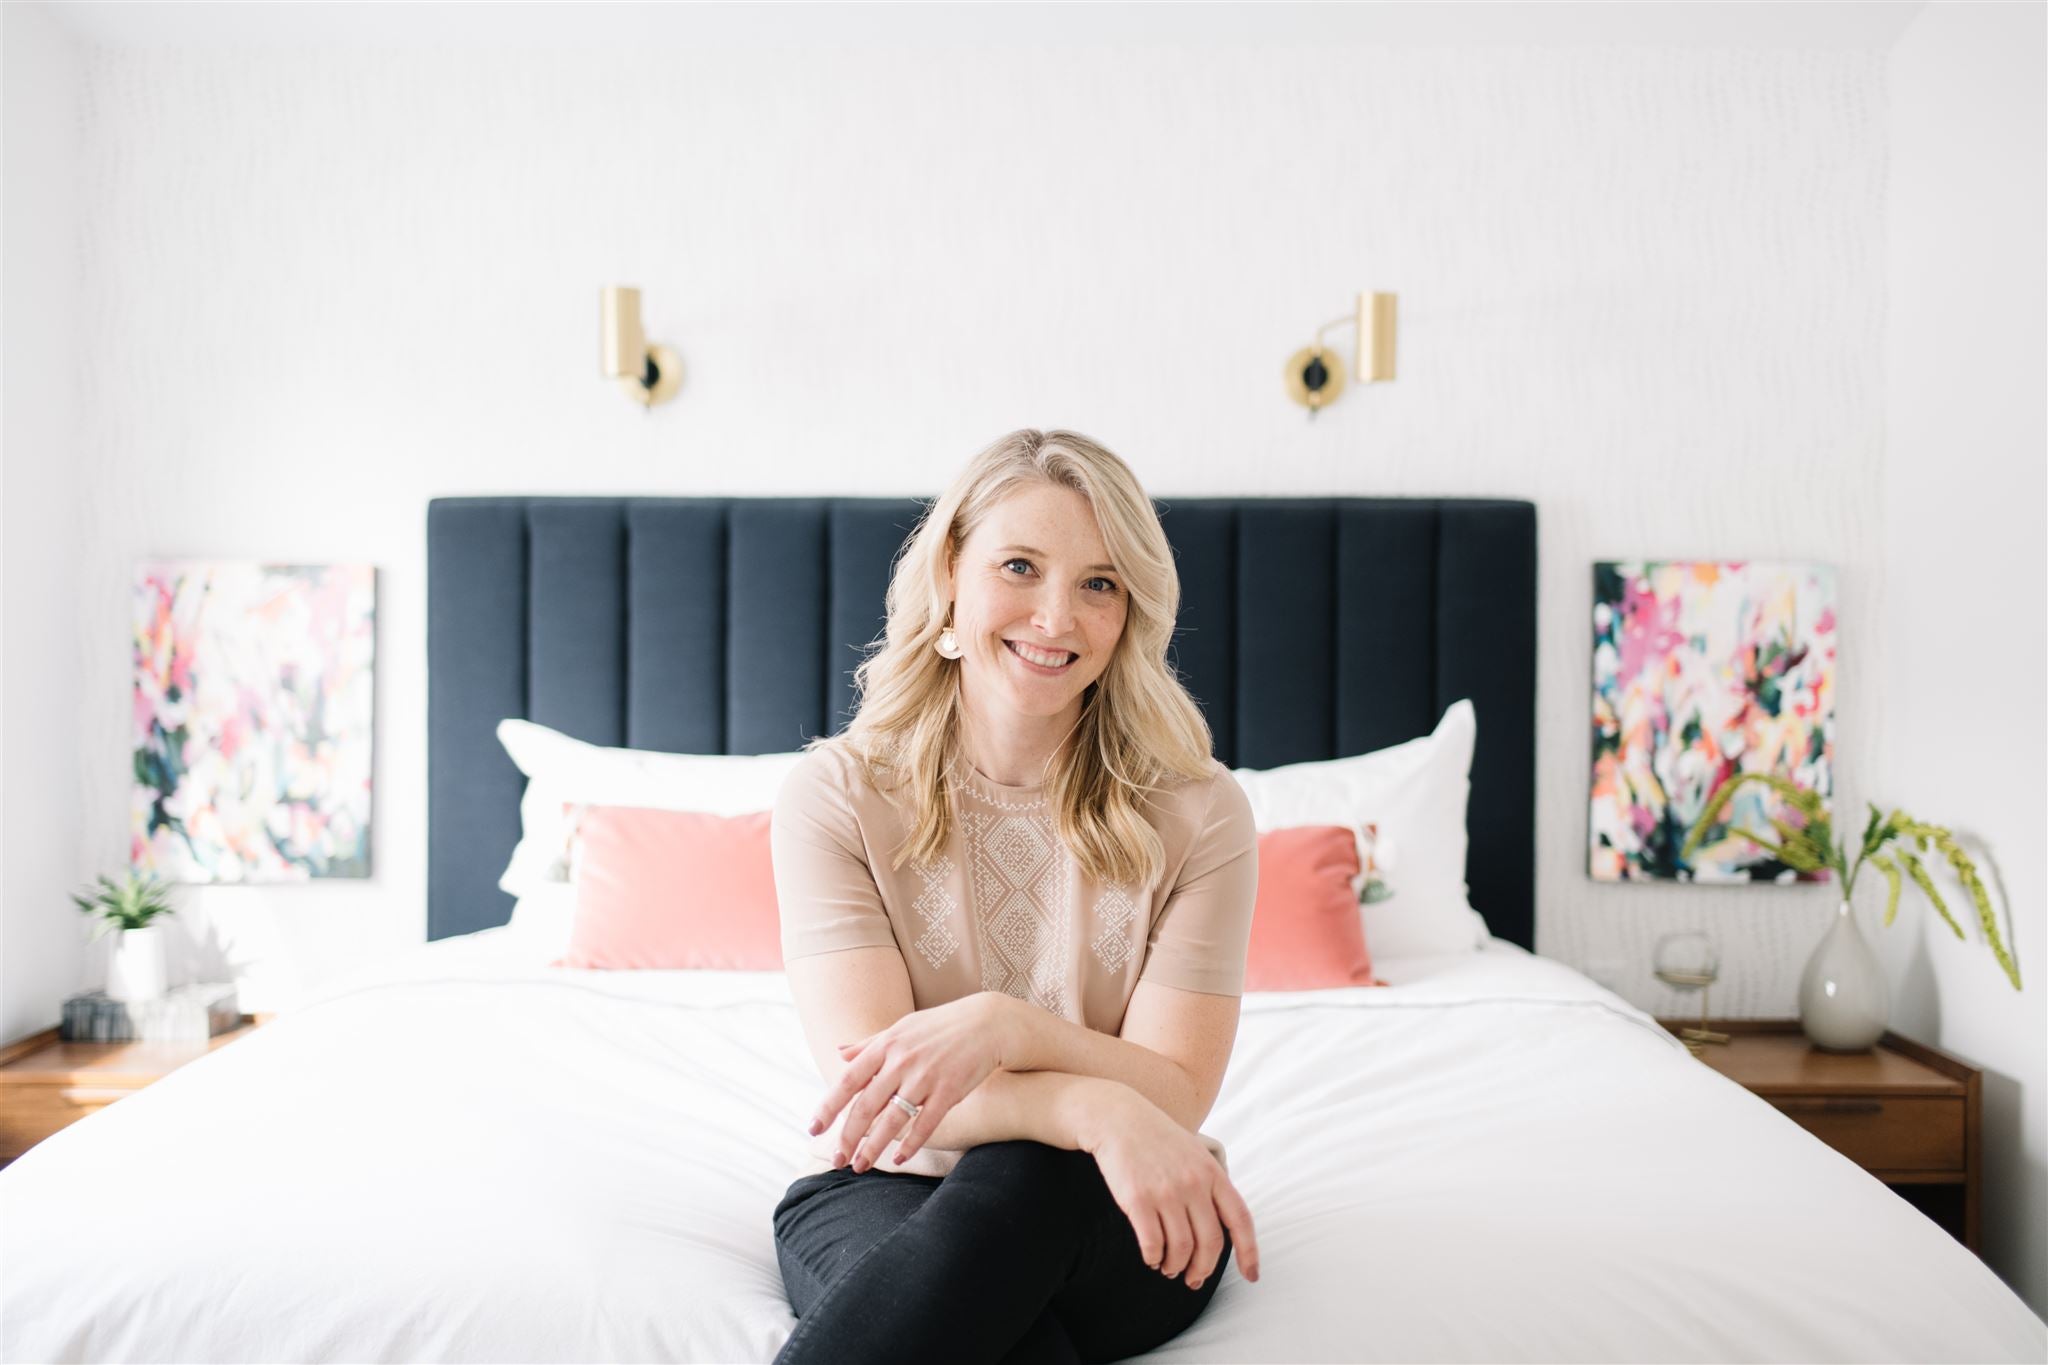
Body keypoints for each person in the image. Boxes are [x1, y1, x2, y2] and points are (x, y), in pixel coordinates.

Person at [769, 428, 1262, 1365]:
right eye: (1021, 566)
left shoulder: (1200, 812)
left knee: (1028, 1184)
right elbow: (886, 1099)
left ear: (1130, 614)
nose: (1055, 617)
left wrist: (1014, 1029)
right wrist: (1091, 1106)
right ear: (952, 570)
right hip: (886, 1182)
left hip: (1122, 1201)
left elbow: (1177, 1091)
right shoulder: (835, 796)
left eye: (1099, 583)